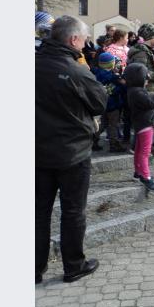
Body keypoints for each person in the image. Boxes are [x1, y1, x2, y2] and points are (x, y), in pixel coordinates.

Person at [36, 15, 107, 284]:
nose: (86, 44)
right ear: (74, 39)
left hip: (37, 151)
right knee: (73, 210)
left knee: (38, 211)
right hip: (72, 153)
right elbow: (99, 103)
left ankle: (33, 267)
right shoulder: (77, 71)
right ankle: (73, 265)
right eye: (85, 39)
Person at [124, 62, 154, 191]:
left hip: (141, 123)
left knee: (139, 150)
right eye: (145, 78)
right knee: (145, 152)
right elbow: (151, 104)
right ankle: (146, 177)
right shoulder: (137, 92)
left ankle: (138, 172)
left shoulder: (134, 90)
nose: (147, 81)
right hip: (145, 124)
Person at [92, 52, 128, 153]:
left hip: (102, 104)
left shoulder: (97, 74)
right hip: (113, 104)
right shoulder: (112, 77)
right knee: (113, 125)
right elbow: (116, 89)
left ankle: (92, 139)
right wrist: (122, 85)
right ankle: (114, 144)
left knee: (103, 124)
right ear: (111, 64)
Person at [126, 23, 154, 92]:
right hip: (144, 92)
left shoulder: (146, 50)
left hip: (147, 91)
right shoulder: (141, 53)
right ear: (151, 37)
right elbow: (140, 74)